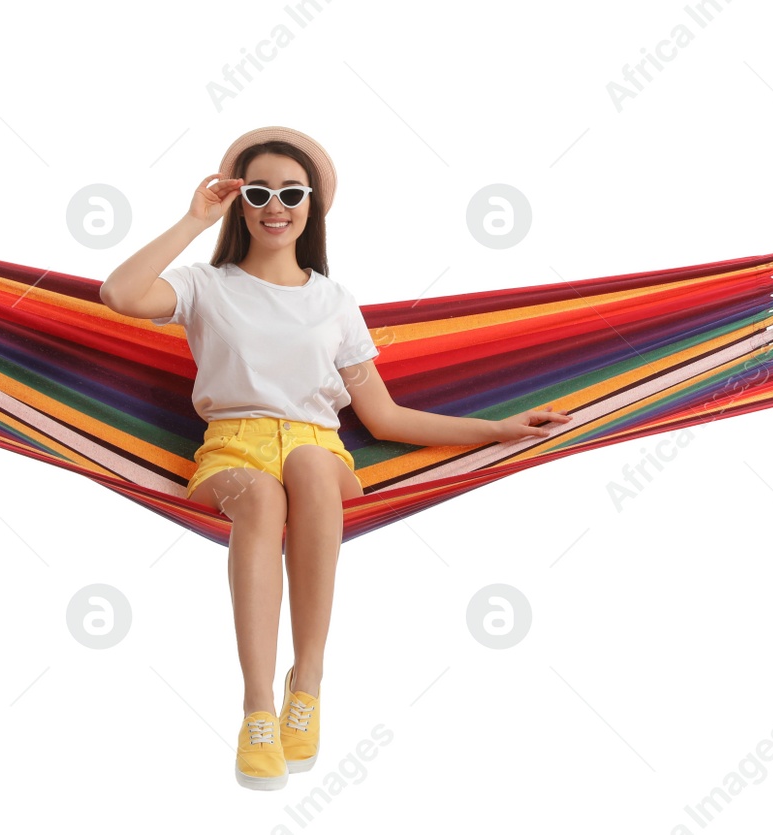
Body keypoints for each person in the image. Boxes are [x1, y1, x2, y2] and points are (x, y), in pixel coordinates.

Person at [100, 126, 572, 790]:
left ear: (312, 204)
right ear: (239, 201)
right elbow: (119, 294)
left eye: (291, 193)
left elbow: (383, 417)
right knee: (263, 498)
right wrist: (192, 218)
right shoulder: (205, 286)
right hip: (232, 450)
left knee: (314, 467)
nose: (275, 205)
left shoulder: (334, 301)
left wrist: (495, 428)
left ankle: (309, 682)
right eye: (258, 191)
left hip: (319, 449)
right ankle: (258, 707)